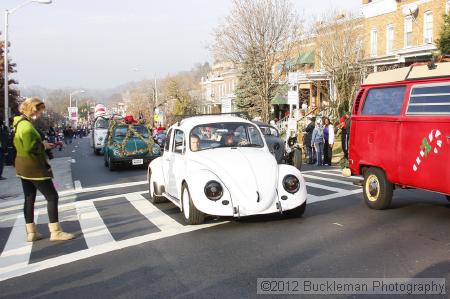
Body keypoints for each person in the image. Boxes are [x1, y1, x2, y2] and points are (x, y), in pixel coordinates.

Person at [13, 97, 75, 242]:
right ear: (33, 109)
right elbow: (31, 147)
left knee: (29, 198)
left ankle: (31, 232)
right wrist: (44, 145)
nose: (40, 114)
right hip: (34, 166)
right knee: (52, 197)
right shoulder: (27, 127)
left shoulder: (19, 123)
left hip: (22, 165)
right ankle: (56, 232)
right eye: (40, 111)